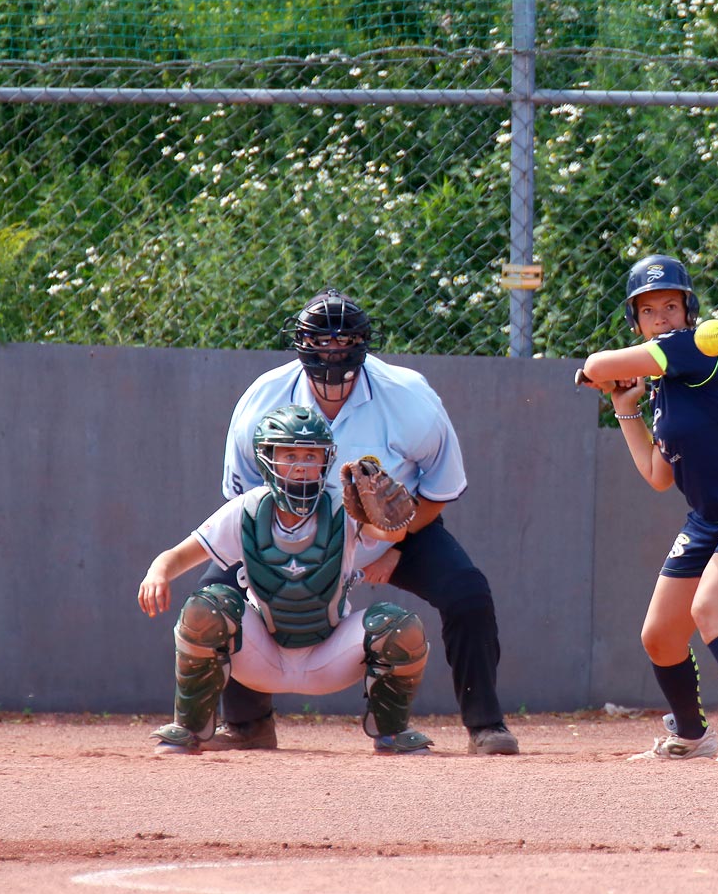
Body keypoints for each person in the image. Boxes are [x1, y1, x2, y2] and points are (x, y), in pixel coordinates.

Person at [201, 288, 519, 756]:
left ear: (363, 346)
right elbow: (246, 502)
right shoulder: (263, 399)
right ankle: (248, 724)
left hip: (395, 530)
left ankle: (486, 724)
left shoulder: (408, 396)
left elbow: (438, 489)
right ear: (301, 345)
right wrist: (289, 547)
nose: (332, 351)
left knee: (468, 592)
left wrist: (396, 543)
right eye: (321, 342)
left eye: (343, 342)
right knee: (218, 596)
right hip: (291, 531)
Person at [578, 254, 718, 762]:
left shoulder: (696, 351)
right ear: (635, 320)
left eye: (670, 305)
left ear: (688, 313)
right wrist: (624, 406)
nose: (660, 316)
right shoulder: (666, 395)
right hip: (709, 519)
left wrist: (603, 373)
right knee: (660, 636)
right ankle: (692, 734)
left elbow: (597, 365)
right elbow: (659, 475)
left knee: (710, 608)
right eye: (648, 310)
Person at [138, 405, 433, 755]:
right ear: (267, 459)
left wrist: (389, 520)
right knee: (206, 606)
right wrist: (157, 573)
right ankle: (188, 728)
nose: (300, 465)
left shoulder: (343, 506)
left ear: (326, 461)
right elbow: (178, 555)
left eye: (311, 456)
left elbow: (387, 535)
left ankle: (391, 733)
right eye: (289, 454)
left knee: (399, 626)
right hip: (262, 655)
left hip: (329, 655)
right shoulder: (247, 508)